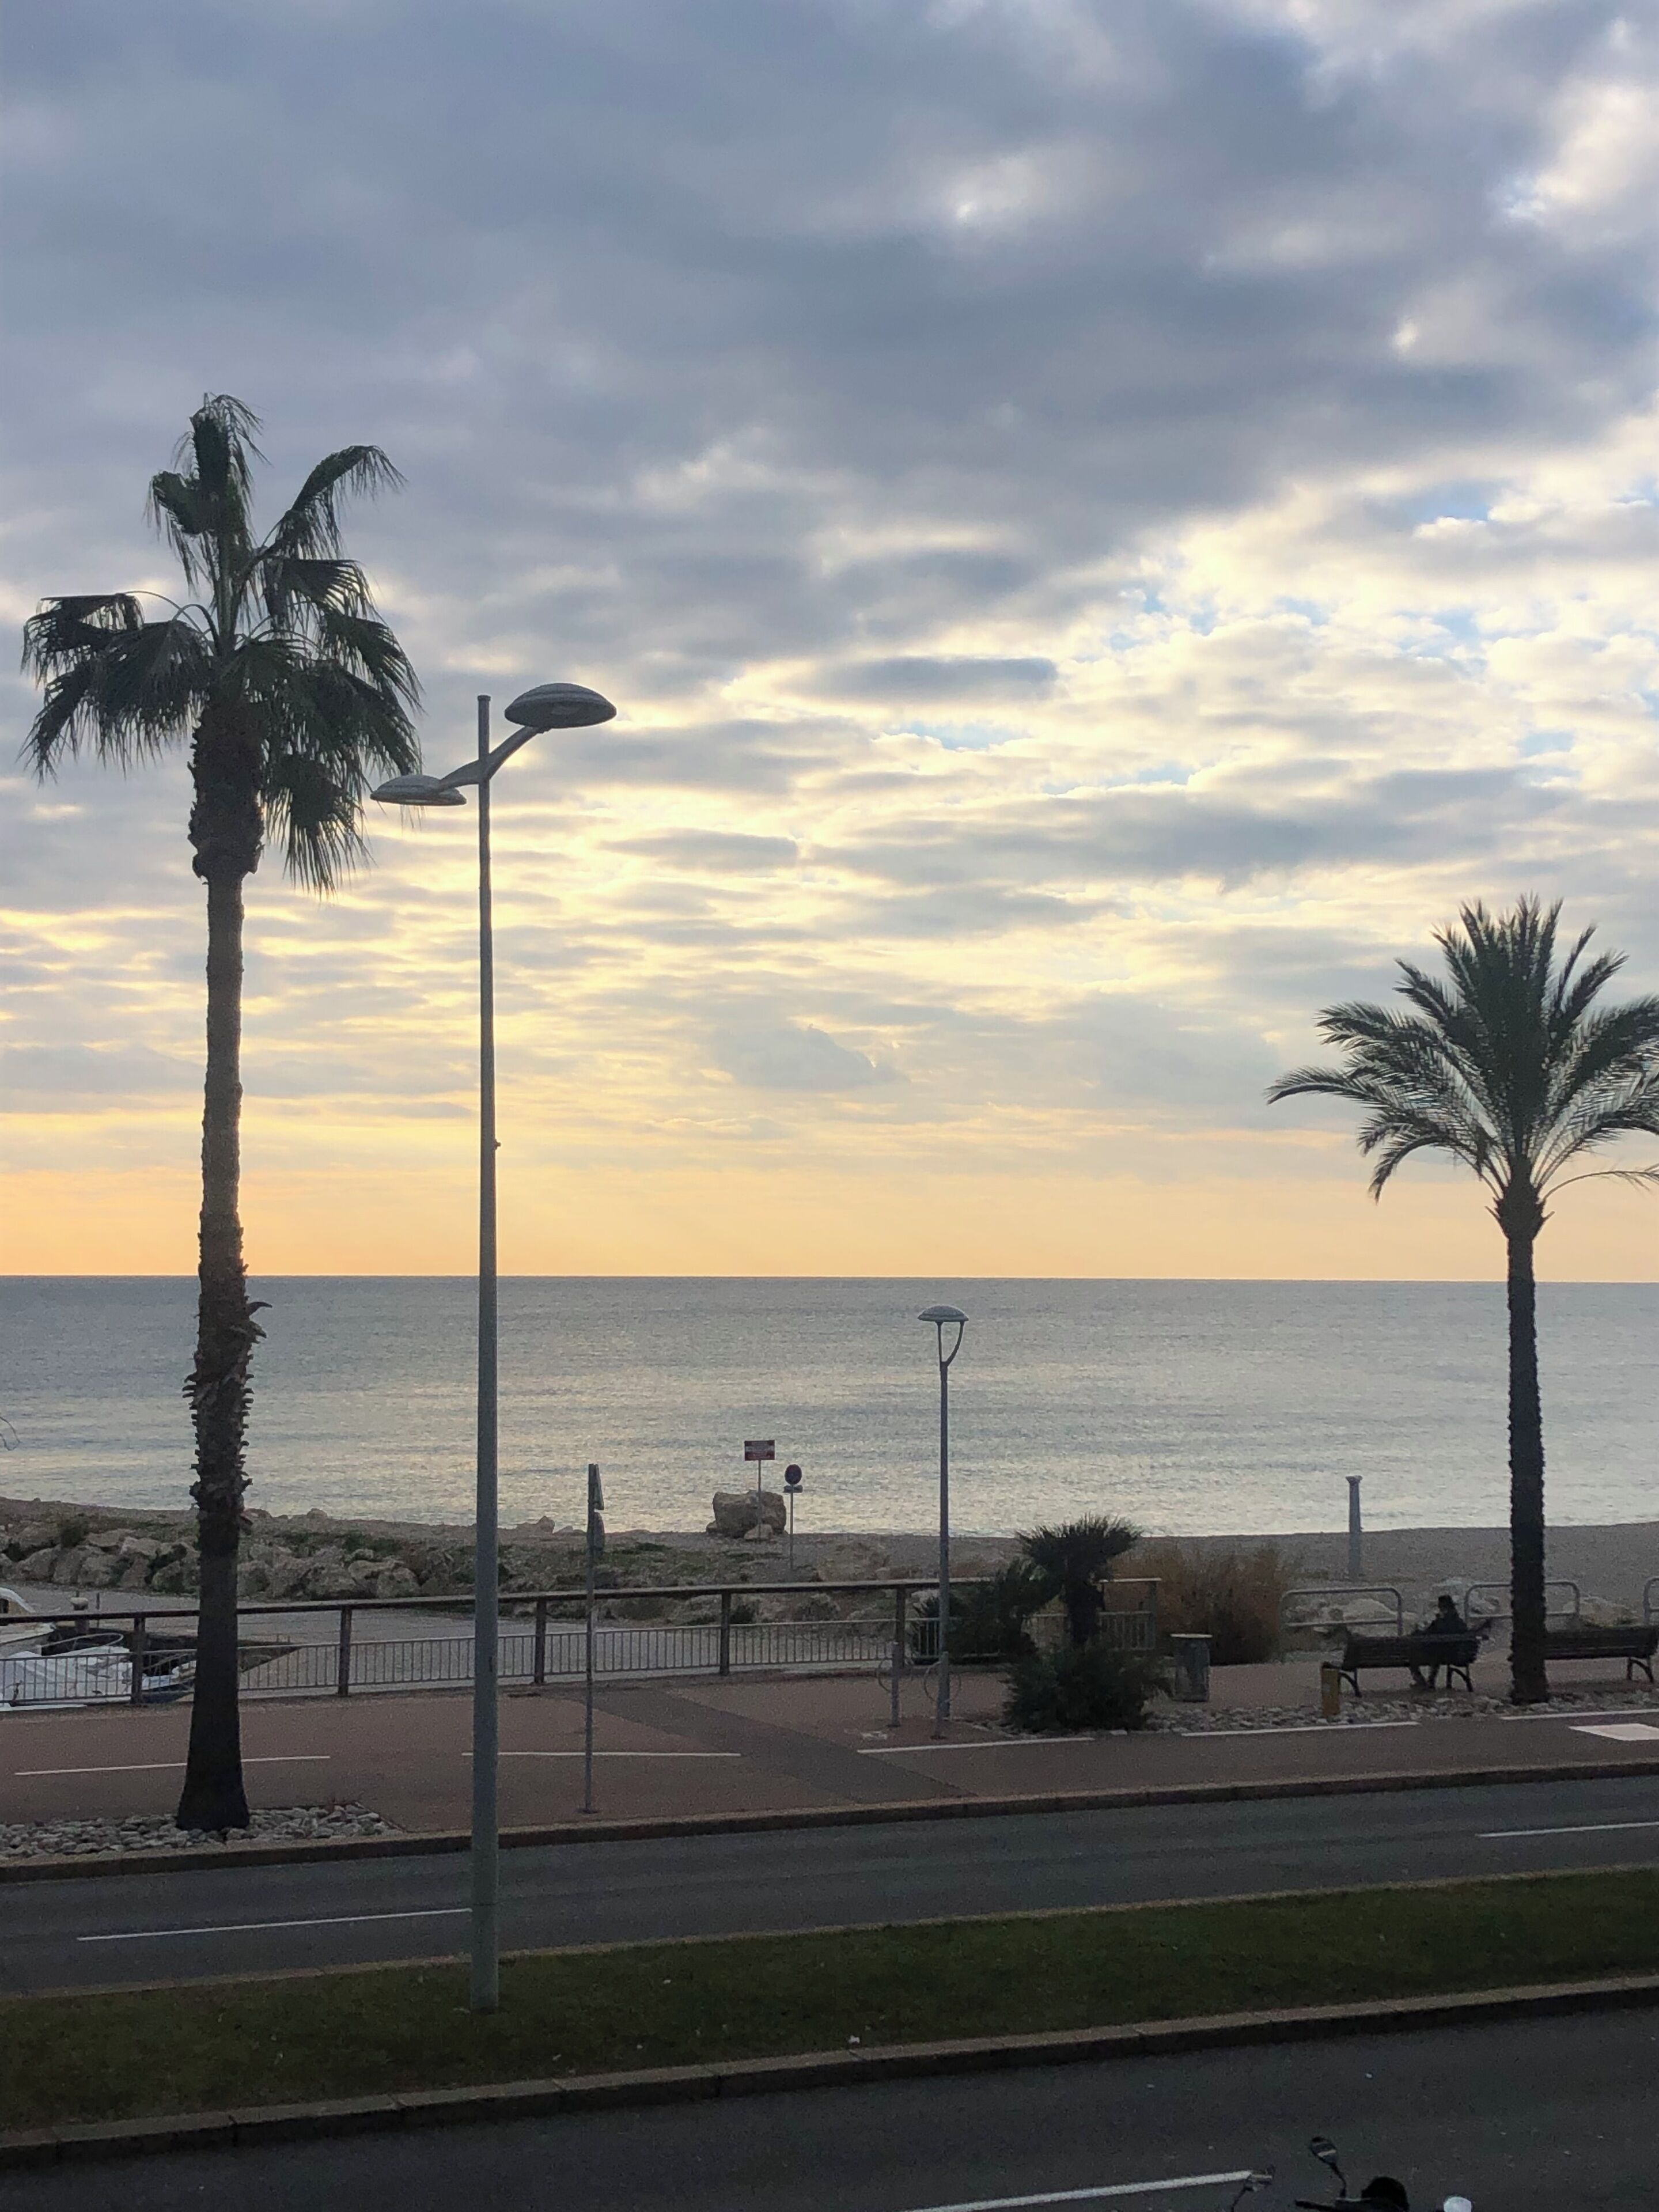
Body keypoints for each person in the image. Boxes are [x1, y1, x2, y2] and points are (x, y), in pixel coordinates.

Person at [1407, 1593, 1468, 1690]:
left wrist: (1416, 1632)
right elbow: (1465, 1632)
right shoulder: (1459, 1622)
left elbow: (1428, 1633)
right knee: (1437, 1653)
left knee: (1412, 1655)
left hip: (1439, 1654)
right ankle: (1431, 1680)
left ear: (1442, 1607)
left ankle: (1421, 1681)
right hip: (1456, 1655)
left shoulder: (1440, 1622)